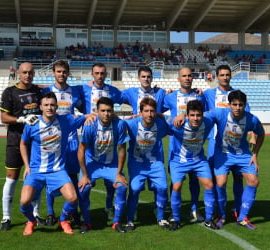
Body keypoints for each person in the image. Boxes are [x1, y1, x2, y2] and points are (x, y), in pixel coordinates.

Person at [19, 92, 87, 235]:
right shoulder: (33, 123)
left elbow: (85, 118)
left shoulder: (66, 121)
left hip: (57, 170)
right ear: (41, 107)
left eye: (52, 105)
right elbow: (23, 143)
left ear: (56, 106)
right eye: (46, 105)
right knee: (24, 201)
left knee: (73, 198)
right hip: (36, 171)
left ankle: (63, 220)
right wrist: (26, 165)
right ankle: (31, 221)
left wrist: (95, 115)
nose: (49, 108)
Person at [206, 90, 265, 230]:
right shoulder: (220, 113)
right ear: (229, 105)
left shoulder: (252, 119)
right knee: (220, 183)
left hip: (243, 154)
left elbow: (261, 134)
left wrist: (255, 154)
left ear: (245, 105)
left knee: (254, 180)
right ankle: (221, 215)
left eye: (241, 105)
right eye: (235, 104)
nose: (238, 108)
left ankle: (242, 217)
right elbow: (201, 117)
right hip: (223, 154)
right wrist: (184, 114)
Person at [0, 62, 44, 231]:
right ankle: (6, 216)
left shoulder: (38, 91)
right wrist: (21, 119)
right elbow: (3, 117)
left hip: (35, 142)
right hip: (15, 140)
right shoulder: (10, 92)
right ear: (18, 73)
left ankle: (36, 214)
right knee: (11, 177)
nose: (28, 75)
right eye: (25, 72)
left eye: (31, 72)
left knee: (35, 178)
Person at [203, 64, 250, 223]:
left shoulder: (238, 96)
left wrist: (253, 136)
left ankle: (238, 209)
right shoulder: (208, 94)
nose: (225, 77)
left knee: (238, 178)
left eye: (227, 74)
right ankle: (218, 210)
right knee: (217, 179)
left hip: (237, 144)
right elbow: (196, 108)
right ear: (217, 76)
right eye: (222, 75)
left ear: (231, 76)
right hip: (215, 142)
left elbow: (248, 117)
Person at [41, 60, 85, 227]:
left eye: (64, 71)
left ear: (68, 73)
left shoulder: (74, 92)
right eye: (58, 71)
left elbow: (83, 108)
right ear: (53, 73)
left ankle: (73, 212)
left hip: (72, 140)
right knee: (51, 176)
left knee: (73, 176)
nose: (61, 74)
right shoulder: (46, 91)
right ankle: (51, 213)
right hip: (52, 139)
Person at [77, 97, 129, 233]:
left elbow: (122, 149)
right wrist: (84, 174)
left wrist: (118, 173)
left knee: (122, 187)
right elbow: (81, 150)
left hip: (111, 164)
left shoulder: (120, 125)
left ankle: (116, 221)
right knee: (83, 189)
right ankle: (86, 221)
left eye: (109, 110)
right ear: (97, 111)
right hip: (92, 163)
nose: (106, 114)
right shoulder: (89, 125)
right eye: (103, 111)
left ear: (113, 111)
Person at [81, 63, 123, 221]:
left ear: (106, 74)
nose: (100, 76)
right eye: (97, 73)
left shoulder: (113, 91)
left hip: (109, 136)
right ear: (92, 74)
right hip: (90, 135)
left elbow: (131, 98)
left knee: (110, 182)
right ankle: (84, 215)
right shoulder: (82, 89)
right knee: (82, 185)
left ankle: (108, 206)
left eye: (102, 73)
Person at [163, 67, 205, 223]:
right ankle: (174, 211)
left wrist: (185, 114)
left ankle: (194, 209)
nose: (187, 78)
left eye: (189, 76)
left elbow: (206, 114)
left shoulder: (200, 96)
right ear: (178, 78)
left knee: (195, 179)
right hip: (176, 145)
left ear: (193, 78)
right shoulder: (170, 97)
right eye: (184, 76)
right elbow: (157, 111)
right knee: (175, 180)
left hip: (195, 144)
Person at [168, 100, 218, 231]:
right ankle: (176, 219)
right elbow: (158, 120)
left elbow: (217, 114)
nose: (196, 118)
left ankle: (209, 219)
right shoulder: (177, 124)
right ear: (187, 115)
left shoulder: (207, 122)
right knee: (177, 186)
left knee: (209, 184)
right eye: (192, 115)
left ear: (203, 115)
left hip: (198, 160)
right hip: (179, 160)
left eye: (198, 115)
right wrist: (180, 116)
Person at [124, 97, 171, 231]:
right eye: (146, 111)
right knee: (135, 189)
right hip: (136, 162)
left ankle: (161, 217)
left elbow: (173, 129)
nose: (149, 114)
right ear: (141, 112)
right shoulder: (132, 124)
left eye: (152, 111)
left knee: (162, 187)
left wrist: (164, 117)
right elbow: (116, 125)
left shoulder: (161, 125)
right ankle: (130, 219)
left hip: (155, 162)